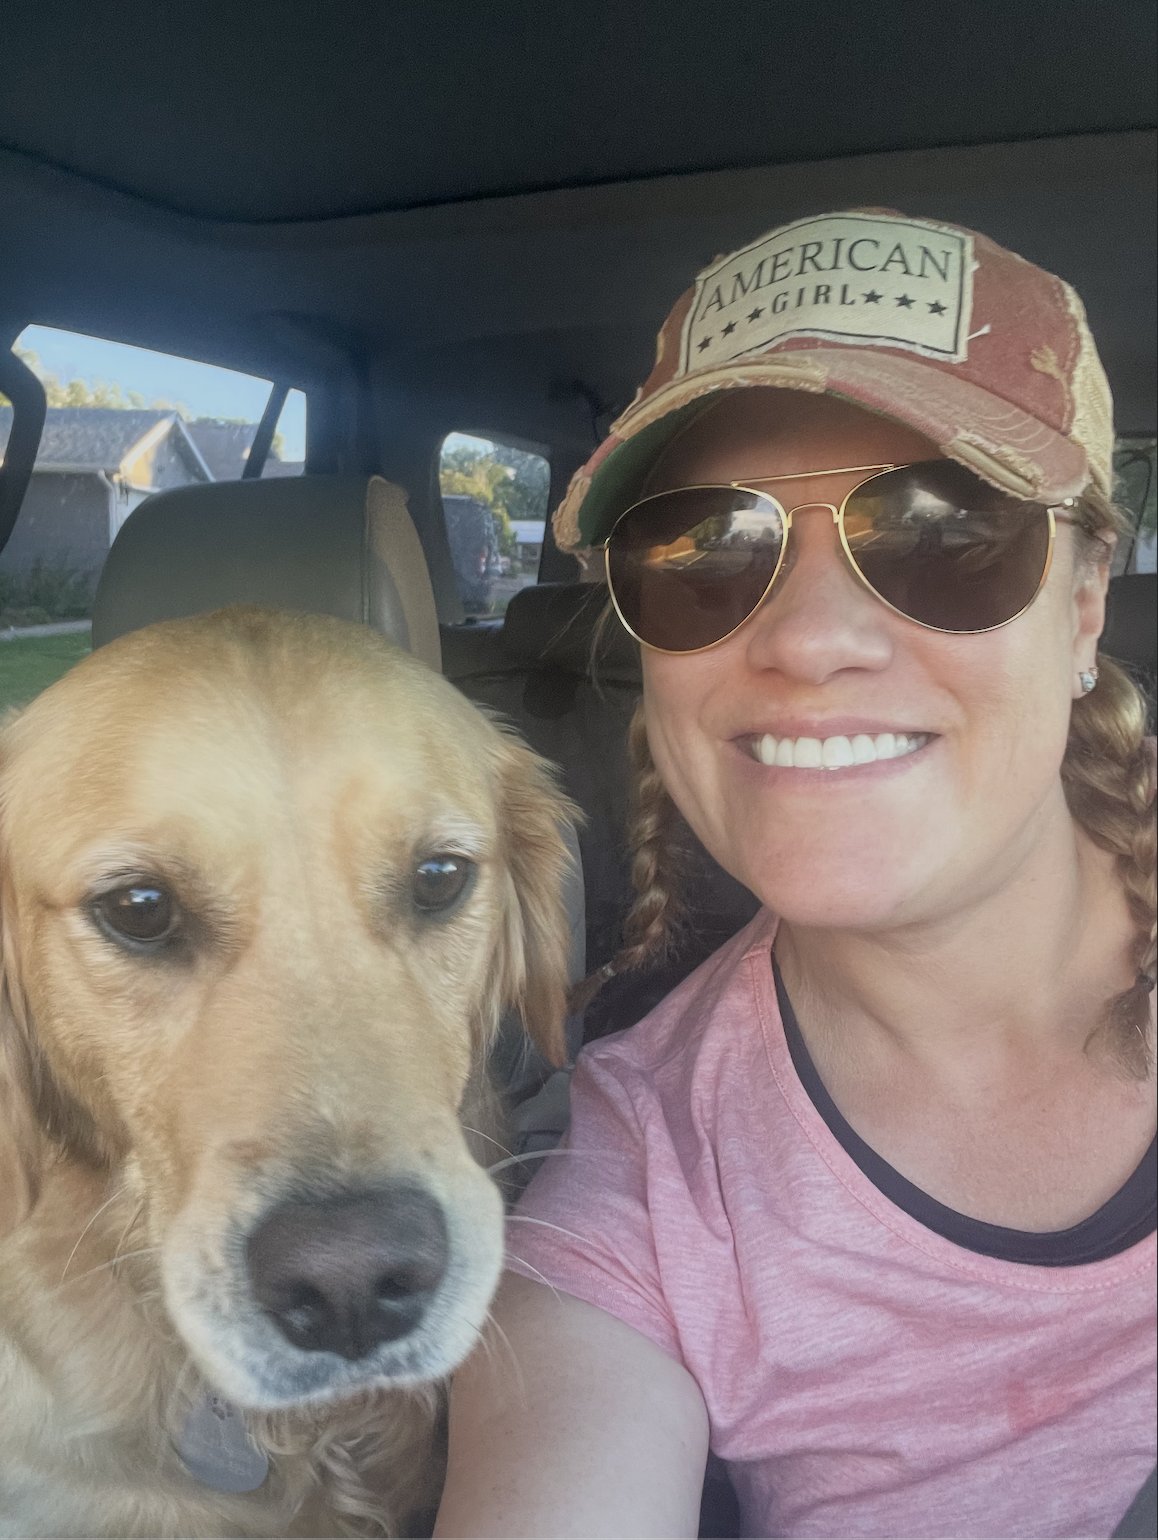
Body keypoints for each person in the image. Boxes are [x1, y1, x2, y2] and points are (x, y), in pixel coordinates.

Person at [434, 210, 1156, 1539]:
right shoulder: (639, 1181)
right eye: (703, 548)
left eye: (946, 531)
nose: (809, 638)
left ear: (1084, 601)